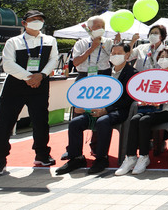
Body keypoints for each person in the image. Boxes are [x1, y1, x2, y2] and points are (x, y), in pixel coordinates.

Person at [56, 44, 138, 175]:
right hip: (96, 109)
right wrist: (83, 106)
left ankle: (101, 158)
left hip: (118, 110)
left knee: (103, 121)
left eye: (119, 53)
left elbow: (128, 99)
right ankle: (76, 158)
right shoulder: (104, 72)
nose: (115, 55)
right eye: (113, 53)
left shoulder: (132, 74)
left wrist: (107, 110)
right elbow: (93, 92)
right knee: (75, 123)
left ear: (127, 55)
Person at [0, 10, 59, 175]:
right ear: (24, 23)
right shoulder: (14, 41)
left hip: (40, 85)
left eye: (40, 19)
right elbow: (8, 64)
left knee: (40, 122)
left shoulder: (49, 40)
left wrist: (41, 75)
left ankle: (42, 155)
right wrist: (28, 77)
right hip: (15, 86)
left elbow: (54, 59)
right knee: (4, 123)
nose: (37, 22)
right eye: (33, 19)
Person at [116, 47, 168, 175]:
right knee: (134, 119)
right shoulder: (154, 74)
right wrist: (144, 100)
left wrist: (163, 100)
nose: (163, 60)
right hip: (150, 108)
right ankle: (130, 157)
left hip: (167, 110)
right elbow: (145, 92)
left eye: (167, 57)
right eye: (161, 57)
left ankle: (144, 156)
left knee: (144, 121)